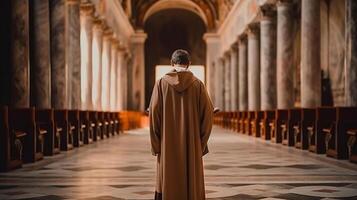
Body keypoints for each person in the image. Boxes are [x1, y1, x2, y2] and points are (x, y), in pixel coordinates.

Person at [149, 49, 214, 200]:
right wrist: (200, 143)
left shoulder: (161, 84)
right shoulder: (198, 85)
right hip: (192, 144)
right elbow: (208, 116)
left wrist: (156, 144)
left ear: (172, 63)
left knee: (167, 178)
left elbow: (154, 115)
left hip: (167, 144)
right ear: (189, 64)